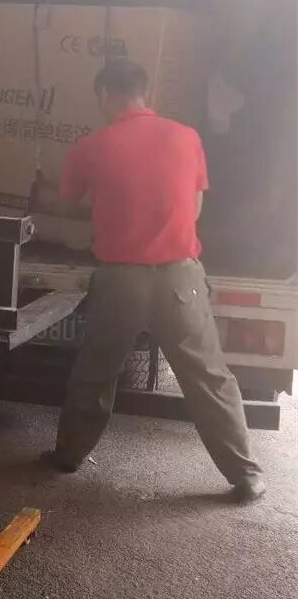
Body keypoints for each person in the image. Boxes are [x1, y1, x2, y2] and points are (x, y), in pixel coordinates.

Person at [43, 57, 265, 504]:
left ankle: (68, 455)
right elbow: (195, 209)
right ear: (147, 94)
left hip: (120, 281)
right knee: (210, 378)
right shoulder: (187, 137)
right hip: (180, 279)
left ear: (103, 95)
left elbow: (67, 206)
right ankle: (246, 476)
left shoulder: (92, 146)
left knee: (95, 373)